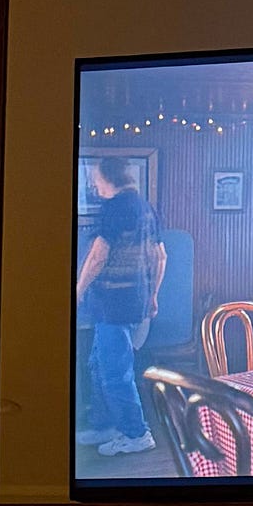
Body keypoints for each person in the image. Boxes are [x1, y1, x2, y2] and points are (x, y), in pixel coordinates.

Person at [75, 156, 167, 455]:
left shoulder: (114, 208)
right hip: (135, 300)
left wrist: (78, 290)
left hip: (113, 304)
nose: (94, 183)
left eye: (96, 177)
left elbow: (98, 256)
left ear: (109, 178)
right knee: (99, 363)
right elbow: (161, 257)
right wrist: (153, 294)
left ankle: (136, 433)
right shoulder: (145, 207)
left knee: (115, 372)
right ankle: (105, 425)